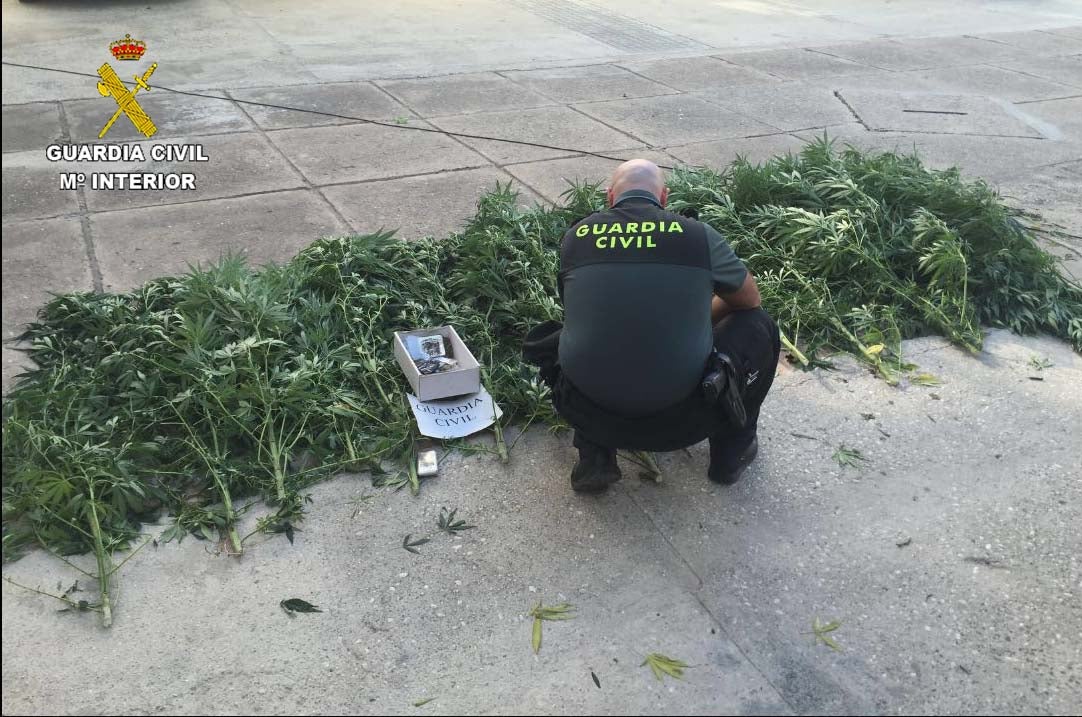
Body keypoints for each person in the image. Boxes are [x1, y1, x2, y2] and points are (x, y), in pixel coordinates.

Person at [523, 159, 780, 493]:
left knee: (577, 332)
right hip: (685, 421)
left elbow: (583, 314)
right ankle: (732, 453)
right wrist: (694, 322)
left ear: (609, 196)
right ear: (665, 197)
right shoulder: (697, 236)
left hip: (588, 410)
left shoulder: (576, 237)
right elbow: (749, 301)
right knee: (759, 326)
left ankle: (594, 455)